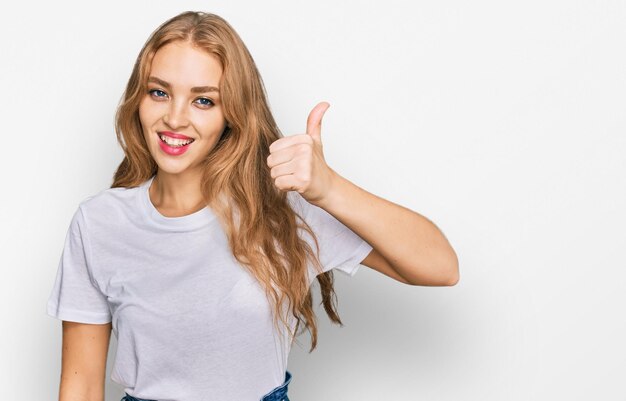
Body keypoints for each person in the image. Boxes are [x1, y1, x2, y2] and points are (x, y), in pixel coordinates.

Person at [46, 10, 459, 401]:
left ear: (233, 113)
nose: (175, 117)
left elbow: (440, 268)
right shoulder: (99, 222)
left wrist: (328, 188)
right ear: (138, 100)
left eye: (203, 100)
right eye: (159, 92)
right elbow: (80, 388)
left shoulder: (282, 211)